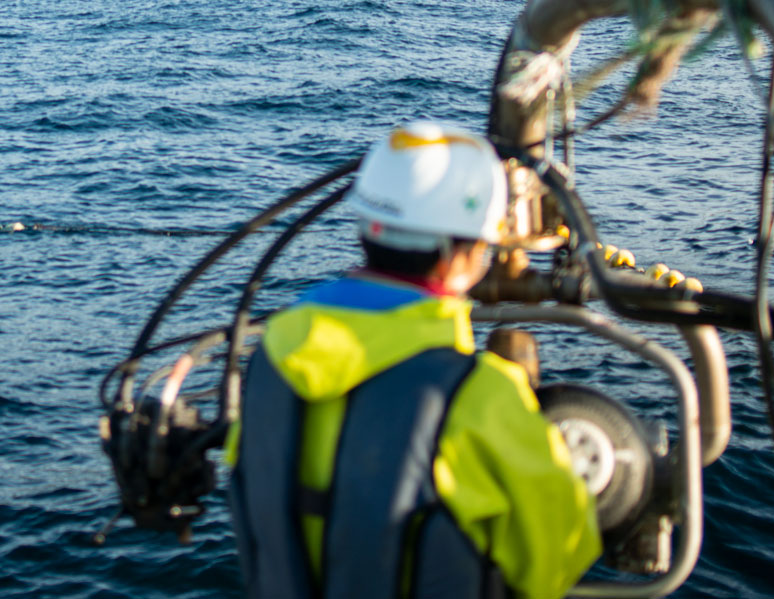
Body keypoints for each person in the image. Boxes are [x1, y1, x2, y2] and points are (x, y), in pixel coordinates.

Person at [225, 123, 601, 599]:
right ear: (463, 255)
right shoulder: (478, 395)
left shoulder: (272, 357)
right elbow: (557, 559)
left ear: (366, 225)